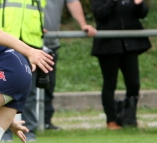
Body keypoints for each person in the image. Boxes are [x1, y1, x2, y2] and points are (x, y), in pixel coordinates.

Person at [91, 0, 151, 130]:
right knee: (110, 82)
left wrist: (139, 4)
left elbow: (142, 14)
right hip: (108, 45)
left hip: (129, 45)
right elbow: (100, 14)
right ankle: (111, 120)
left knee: (134, 83)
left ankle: (129, 118)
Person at [0, 0, 47, 142]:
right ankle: (3, 130)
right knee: (2, 89)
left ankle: (29, 130)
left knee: (29, 92)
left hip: (32, 46)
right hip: (5, 45)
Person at [43, 0, 97, 130]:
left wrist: (83, 24)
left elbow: (72, 2)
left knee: (48, 84)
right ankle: (23, 124)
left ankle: (45, 121)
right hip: (26, 43)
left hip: (50, 45)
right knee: (23, 86)